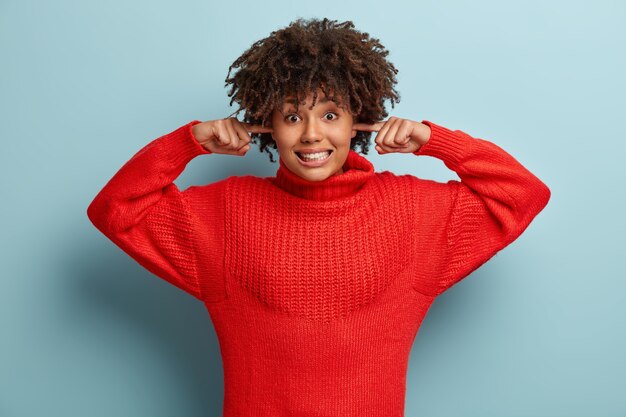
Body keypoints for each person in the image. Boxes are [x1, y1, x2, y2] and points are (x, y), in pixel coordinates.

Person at [87, 17, 550, 417]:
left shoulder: (415, 214)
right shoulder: (223, 215)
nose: (311, 135)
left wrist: (437, 141)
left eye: (330, 114)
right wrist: (189, 141)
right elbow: (115, 209)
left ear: (359, 121)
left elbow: (522, 194)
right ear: (266, 124)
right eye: (292, 117)